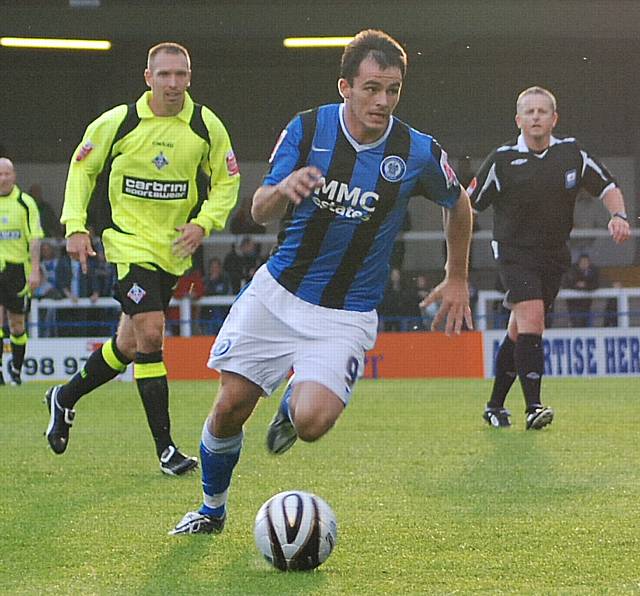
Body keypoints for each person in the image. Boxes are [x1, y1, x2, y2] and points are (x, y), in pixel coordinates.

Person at [171, 29, 473, 535]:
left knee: (312, 424)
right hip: (278, 293)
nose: (382, 101)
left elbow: (457, 203)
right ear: (345, 87)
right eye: (372, 88)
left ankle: (292, 403)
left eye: (393, 89)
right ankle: (211, 509)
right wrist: (284, 188)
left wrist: (457, 275)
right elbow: (258, 209)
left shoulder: (416, 151)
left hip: (346, 312)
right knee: (229, 409)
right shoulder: (308, 129)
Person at [44, 42, 240, 475]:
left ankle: (64, 397)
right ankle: (166, 449)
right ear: (148, 77)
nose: (173, 83)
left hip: (172, 252)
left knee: (129, 345)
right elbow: (82, 169)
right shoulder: (119, 122)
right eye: (165, 75)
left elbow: (227, 182)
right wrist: (75, 225)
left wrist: (204, 223)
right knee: (151, 335)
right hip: (127, 244)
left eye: (181, 75)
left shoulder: (206, 126)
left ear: (189, 78)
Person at [469, 86, 630, 430]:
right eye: (529, 112)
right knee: (533, 320)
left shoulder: (571, 153)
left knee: (519, 331)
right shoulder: (502, 160)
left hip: (553, 256)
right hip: (514, 254)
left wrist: (619, 216)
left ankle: (495, 406)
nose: (536, 117)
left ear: (554, 118)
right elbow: (467, 204)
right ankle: (533, 407)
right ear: (519, 120)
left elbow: (607, 186)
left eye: (542, 112)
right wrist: (455, 257)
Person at [0, 158, 43, 385]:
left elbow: (35, 238)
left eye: (7, 174)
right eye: (0, 174)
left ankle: (16, 369)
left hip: (18, 270)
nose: (3, 179)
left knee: (17, 325)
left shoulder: (25, 203)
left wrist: (35, 270)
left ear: (14, 175)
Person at [565, 253, 599, 327]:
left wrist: (585, 285)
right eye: (582, 262)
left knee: (585, 321)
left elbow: (596, 284)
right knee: (576, 321)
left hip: (587, 304)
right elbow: (567, 283)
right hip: (573, 304)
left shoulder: (593, 271)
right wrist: (577, 286)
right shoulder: (572, 270)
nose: (584, 264)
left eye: (586, 262)